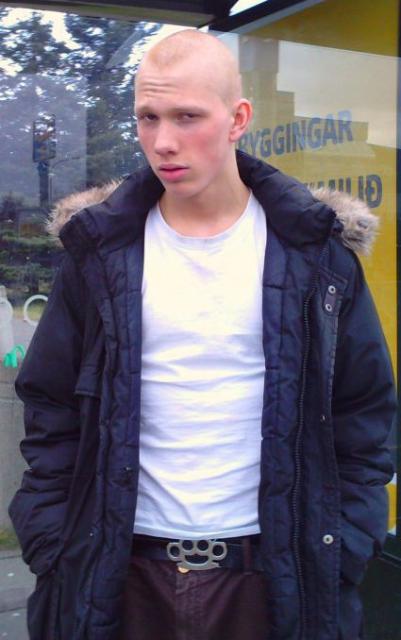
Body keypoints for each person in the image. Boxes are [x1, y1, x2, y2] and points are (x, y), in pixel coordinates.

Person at [9, 29, 396, 640]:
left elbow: (363, 412)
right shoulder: (99, 252)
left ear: (238, 118)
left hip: (275, 578)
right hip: (116, 574)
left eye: (187, 116)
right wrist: (51, 541)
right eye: (148, 117)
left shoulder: (315, 253)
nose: (164, 141)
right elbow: (51, 407)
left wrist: (345, 545)